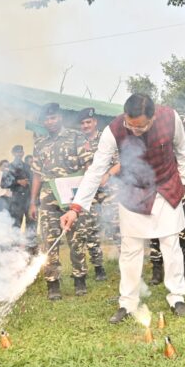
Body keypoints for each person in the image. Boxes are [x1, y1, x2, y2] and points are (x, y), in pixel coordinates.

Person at [61, 93, 185, 324]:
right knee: (130, 249)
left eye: (140, 127)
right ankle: (127, 302)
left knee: (170, 244)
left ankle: (176, 296)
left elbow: (182, 151)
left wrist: (181, 182)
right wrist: (75, 207)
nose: (134, 130)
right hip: (133, 191)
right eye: (129, 125)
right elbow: (96, 170)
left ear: (152, 118)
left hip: (166, 188)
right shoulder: (113, 130)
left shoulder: (171, 118)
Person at [29, 103, 92, 300]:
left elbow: (89, 166)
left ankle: (79, 278)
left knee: (76, 238)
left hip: (71, 197)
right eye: (47, 119)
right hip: (48, 198)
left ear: (60, 118)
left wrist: (85, 195)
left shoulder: (76, 137)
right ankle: (52, 282)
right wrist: (32, 202)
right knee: (49, 240)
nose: (51, 121)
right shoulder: (40, 144)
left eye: (54, 117)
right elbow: (37, 175)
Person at [149, 114, 185, 285]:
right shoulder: (159, 145)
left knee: (183, 230)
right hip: (158, 192)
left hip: (181, 194)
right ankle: (157, 268)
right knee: (155, 229)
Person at [76, 107, 120, 281]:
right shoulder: (79, 144)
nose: (85, 126)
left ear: (95, 122)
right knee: (90, 230)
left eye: (88, 122)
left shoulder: (107, 139)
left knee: (117, 228)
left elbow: (120, 163)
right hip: (91, 195)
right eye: (83, 123)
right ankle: (98, 267)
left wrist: (107, 175)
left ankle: (126, 264)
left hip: (110, 192)